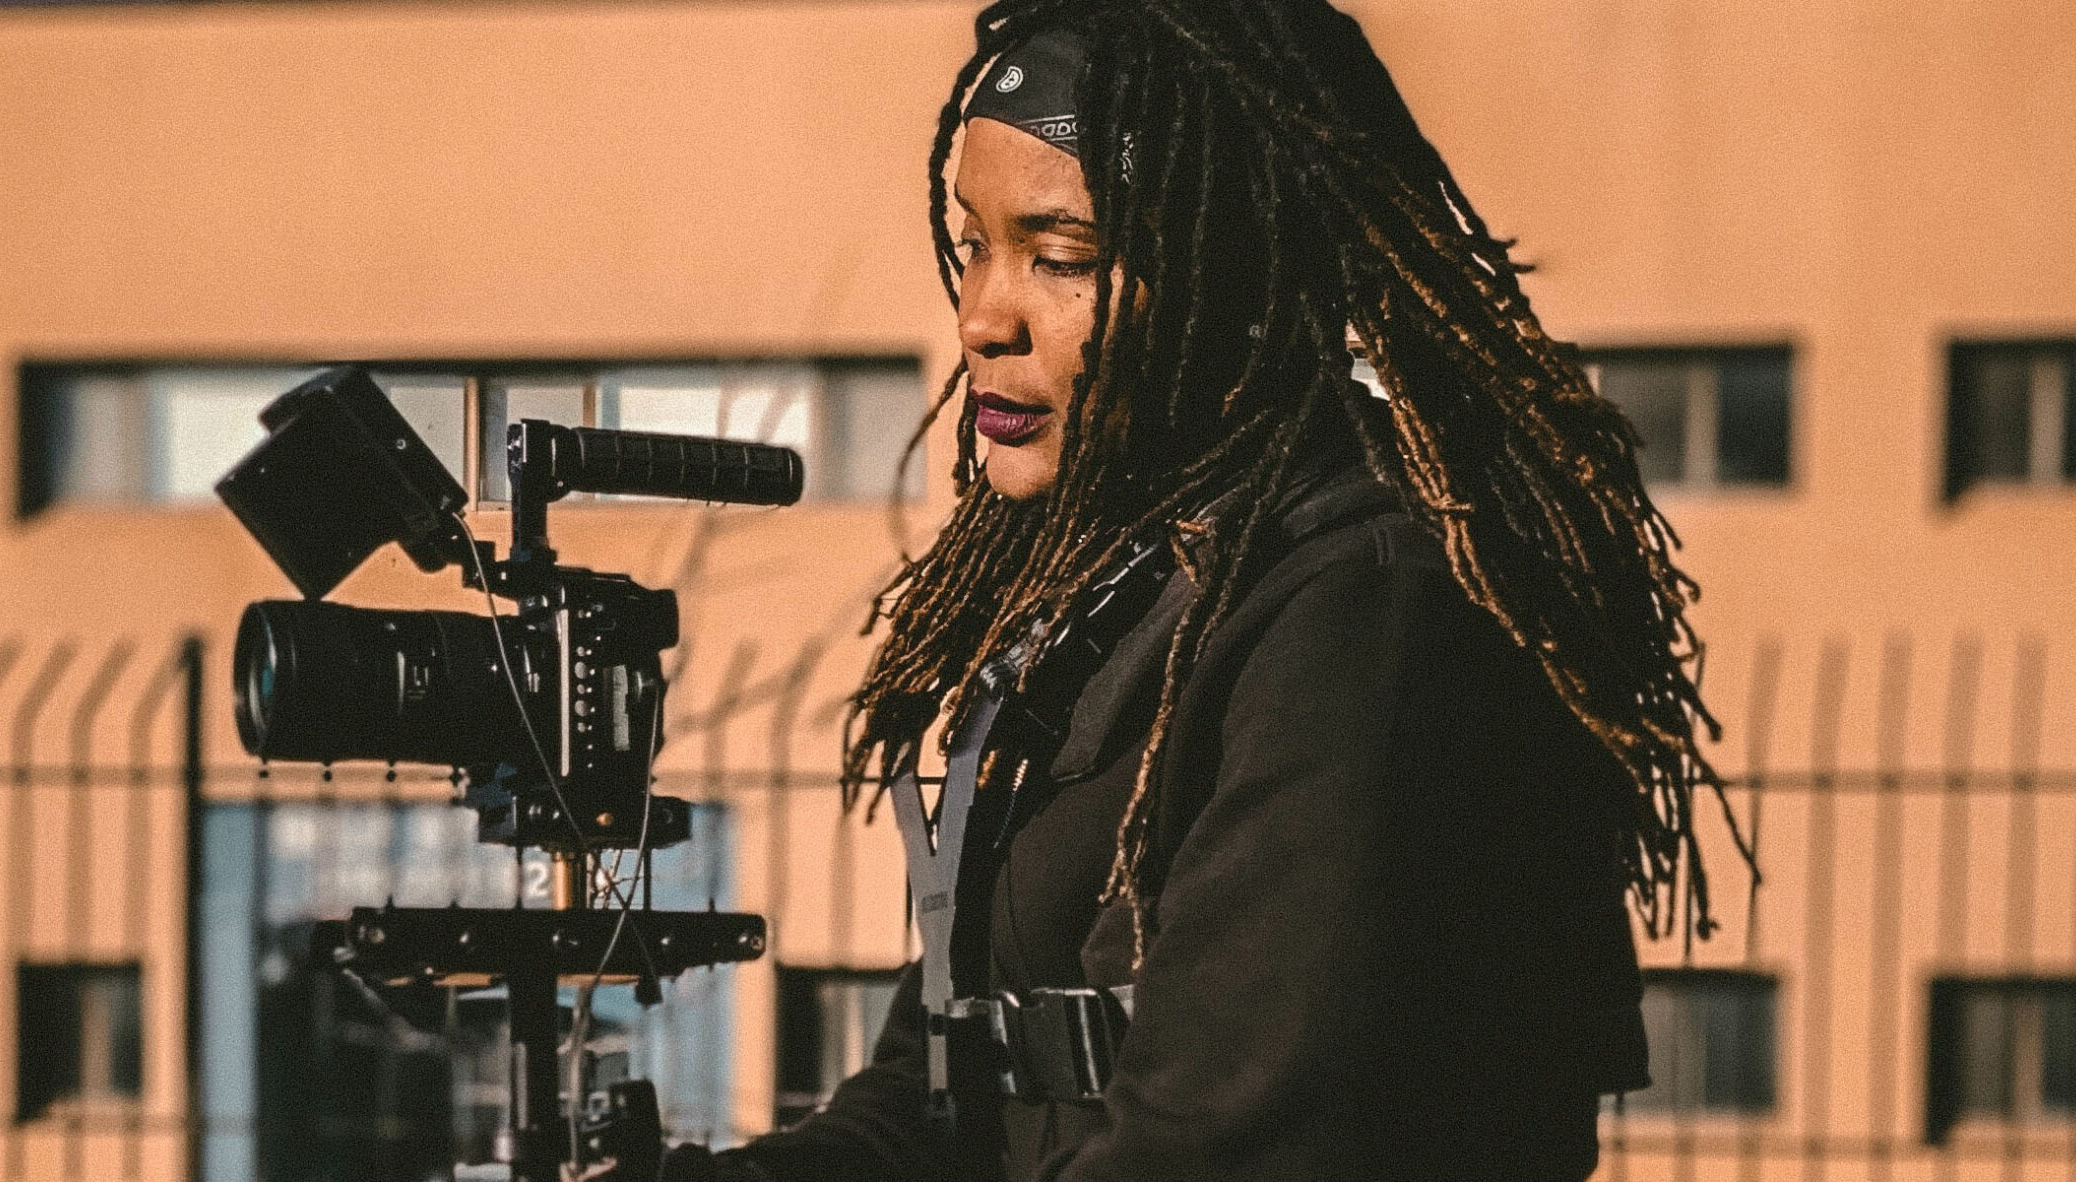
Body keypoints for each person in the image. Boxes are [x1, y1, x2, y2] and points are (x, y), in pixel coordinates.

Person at [664, 2, 1738, 1178]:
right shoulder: (1106, 604)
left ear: (1236, 276)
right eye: (973, 242)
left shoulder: (1368, 615)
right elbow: (927, 1104)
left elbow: (1214, 1144)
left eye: (1060, 256)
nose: (982, 317)